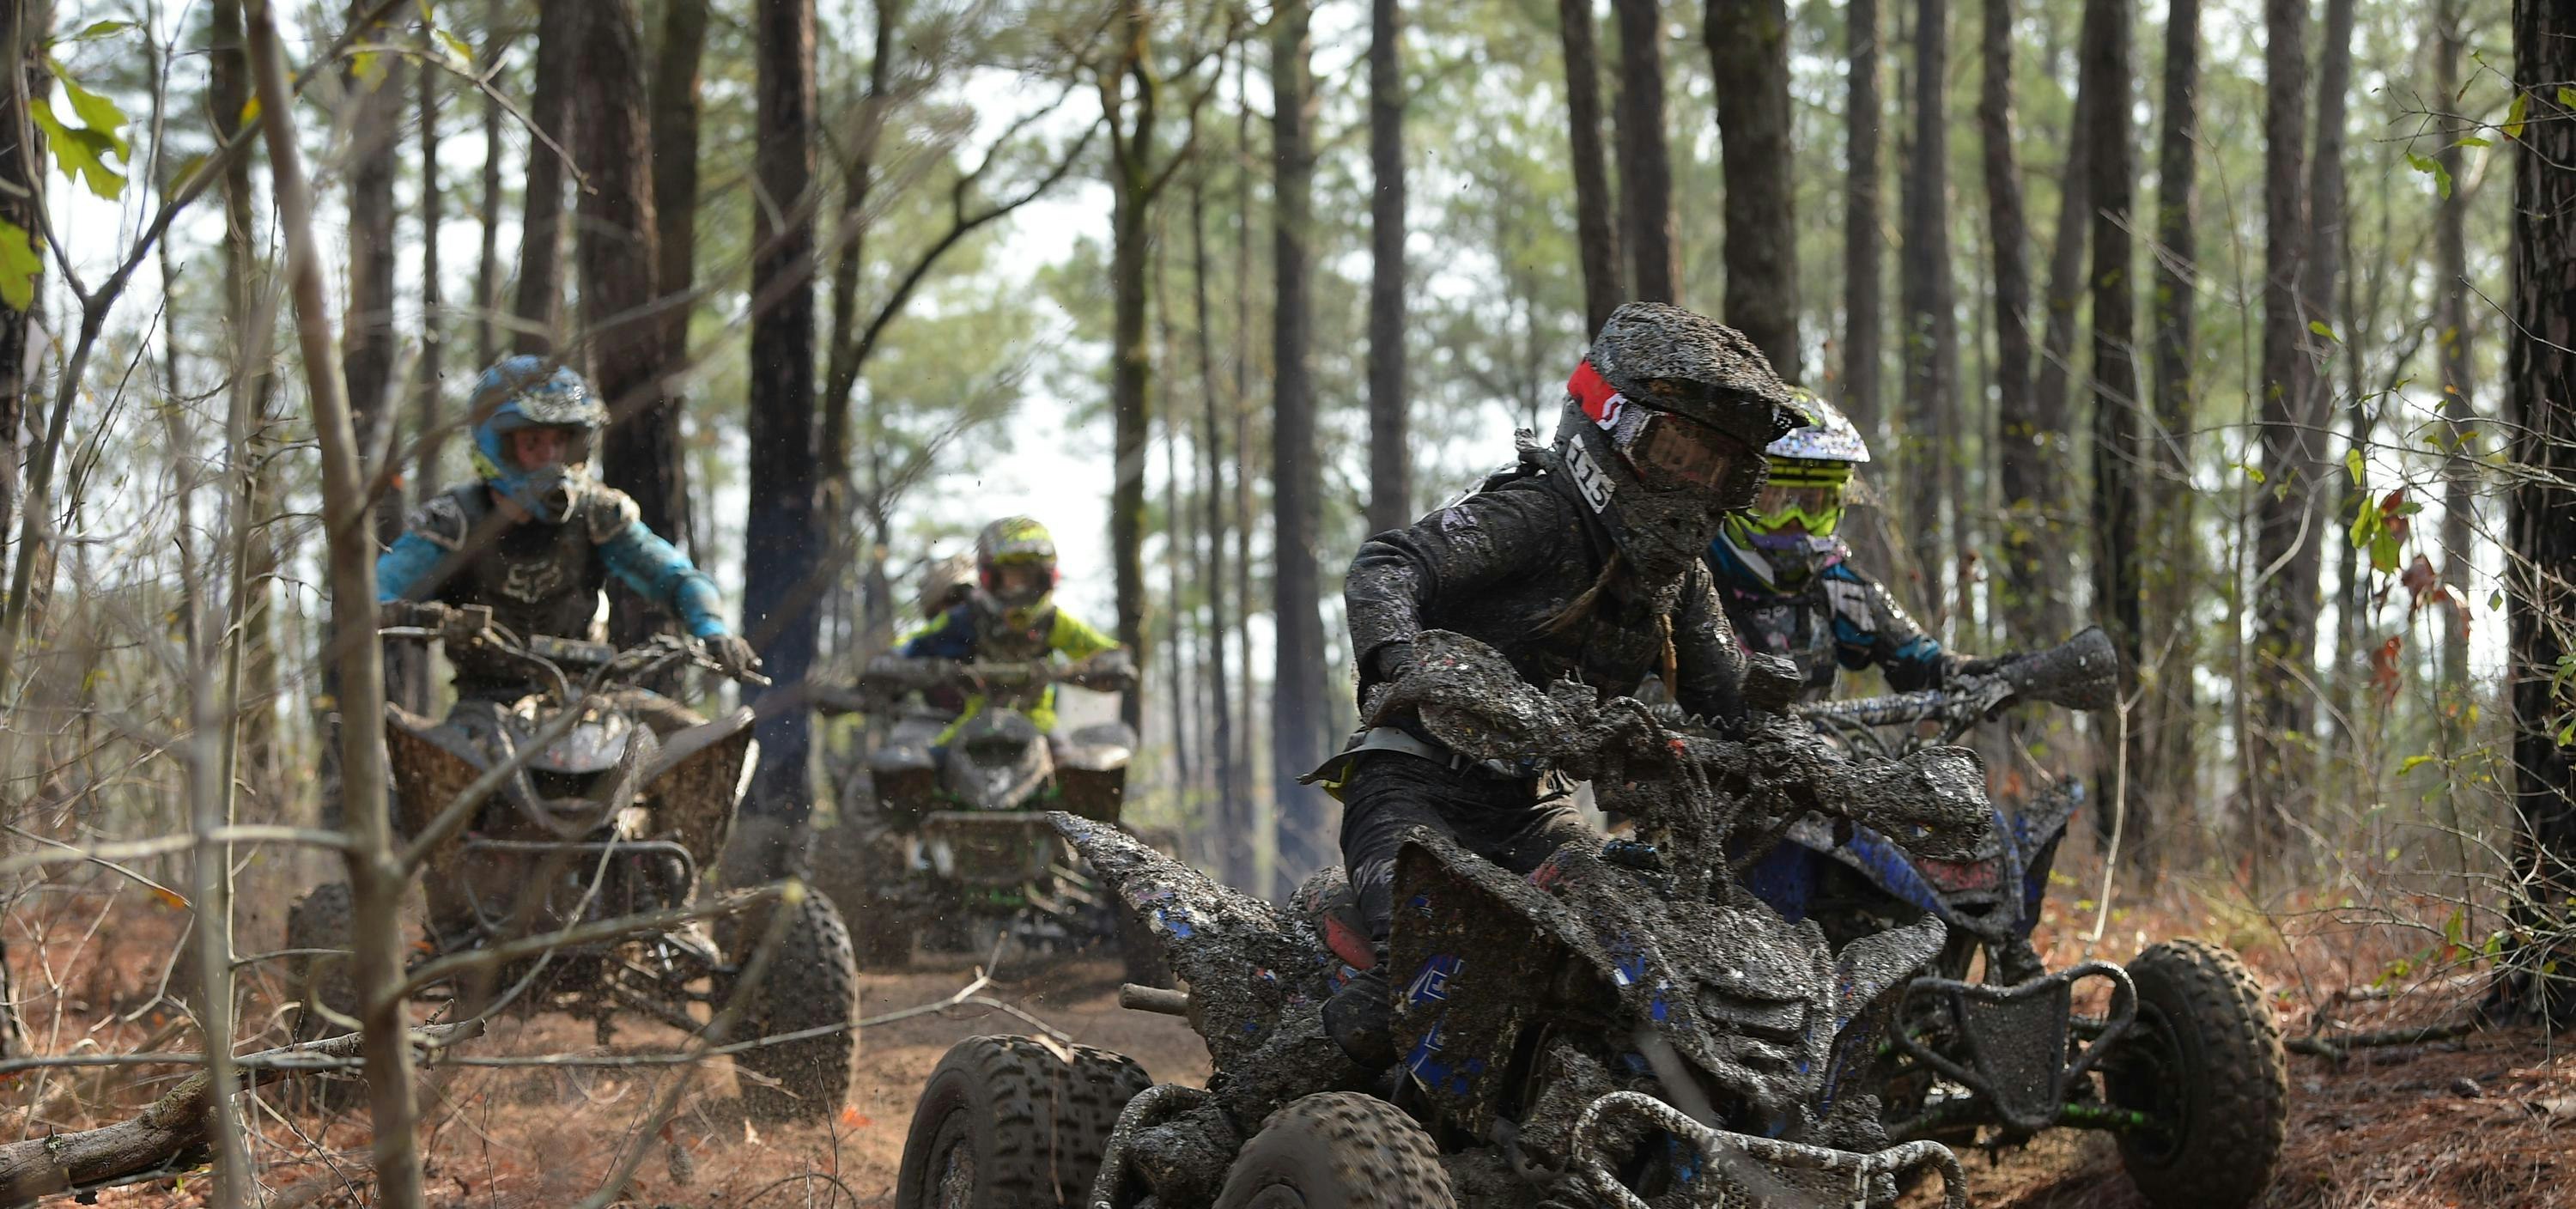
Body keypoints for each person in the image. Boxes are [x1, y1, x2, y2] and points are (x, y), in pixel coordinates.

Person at [1320, 301, 1803, 1066]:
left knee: (1625, 950)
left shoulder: (1679, 585)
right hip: (1414, 787)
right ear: (1611, 427)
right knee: (1408, 993)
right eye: (1676, 451)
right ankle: (1268, 1122)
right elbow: (1388, 566)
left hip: (1534, 808)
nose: (1694, 483)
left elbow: (1732, 704)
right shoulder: (1539, 514)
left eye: (1720, 468)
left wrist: (1787, 745)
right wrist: (1402, 664)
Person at [374, 355, 758, 735]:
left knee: (700, 744)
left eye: (560, 441)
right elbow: (380, 584)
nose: (551, 457)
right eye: (533, 442)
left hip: (591, 700)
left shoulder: (597, 514)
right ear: (498, 444)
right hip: (486, 706)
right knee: (431, 765)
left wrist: (712, 629)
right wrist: (398, 613)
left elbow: (674, 574)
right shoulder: (454, 520)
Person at [1703, 392, 1991, 699]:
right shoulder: (1690, 576)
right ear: (1738, 490)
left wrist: (2020, 671)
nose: (1795, 522)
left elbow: (1926, 663)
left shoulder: (1836, 584)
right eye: (1775, 501)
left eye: (1812, 505)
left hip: (1810, 743)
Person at [865, 518, 1133, 809]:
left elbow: (1105, 651)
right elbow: (915, 644)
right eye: (1011, 577)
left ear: (1046, 578)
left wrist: (1109, 666)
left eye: (1028, 577)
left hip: (1038, 722)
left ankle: (1081, 845)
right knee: (915, 772)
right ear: (990, 576)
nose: (1018, 588)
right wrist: (890, 664)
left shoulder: (1055, 622)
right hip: (974, 720)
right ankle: (909, 838)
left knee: (1080, 774)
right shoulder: (966, 618)